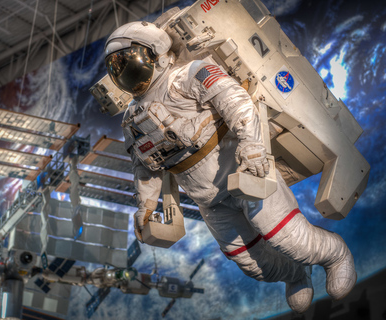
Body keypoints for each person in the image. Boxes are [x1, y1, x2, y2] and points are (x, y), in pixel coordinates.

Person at [104, 21, 356, 313]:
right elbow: (144, 167)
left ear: (156, 52)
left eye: (127, 60)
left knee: (287, 238)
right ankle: (296, 274)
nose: (123, 71)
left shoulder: (188, 75)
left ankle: (335, 255)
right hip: (210, 201)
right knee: (251, 264)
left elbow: (236, 102)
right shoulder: (132, 118)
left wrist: (252, 145)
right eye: (116, 66)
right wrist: (144, 207)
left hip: (242, 172)